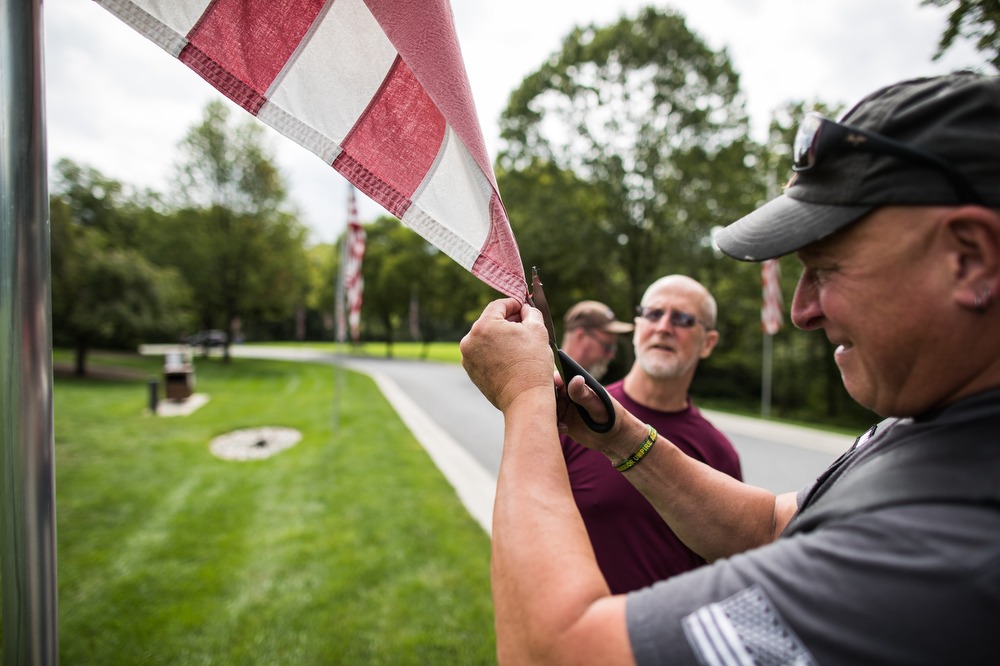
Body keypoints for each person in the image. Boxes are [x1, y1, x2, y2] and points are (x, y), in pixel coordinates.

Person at [460, 72, 1000, 665]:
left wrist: (524, 396)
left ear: (969, 259)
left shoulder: (943, 548)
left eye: (827, 267)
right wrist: (618, 435)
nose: (802, 311)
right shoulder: (937, 425)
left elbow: (552, 654)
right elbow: (771, 525)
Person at [561, 277, 741, 593]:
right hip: (578, 632)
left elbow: (724, 573)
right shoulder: (574, 414)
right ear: (637, 327)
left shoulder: (720, 454)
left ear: (709, 343)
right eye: (654, 314)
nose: (664, 327)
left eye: (683, 319)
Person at [560, 300, 633, 381]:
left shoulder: (589, 385)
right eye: (607, 347)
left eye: (613, 348)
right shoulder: (548, 381)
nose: (611, 355)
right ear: (581, 337)